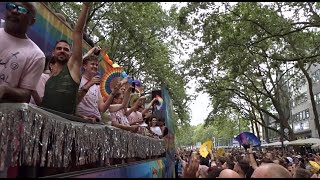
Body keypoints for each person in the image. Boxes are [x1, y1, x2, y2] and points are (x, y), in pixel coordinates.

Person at [41, 2, 91, 114]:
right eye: (59, 48)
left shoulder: (72, 69)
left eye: (66, 49)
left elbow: (78, 33)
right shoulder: (48, 77)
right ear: (53, 52)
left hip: (63, 128)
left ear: (71, 54)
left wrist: (86, 6)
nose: (62, 50)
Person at [0, 2, 45, 103]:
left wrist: (5, 90)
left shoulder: (36, 55)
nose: (15, 11)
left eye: (22, 9)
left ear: (31, 21)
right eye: (11, 6)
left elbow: (26, 95)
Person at [76, 52, 122, 122]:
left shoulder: (97, 86)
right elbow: (74, 101)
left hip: (96, 120)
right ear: (85, 66)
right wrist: (89, 84)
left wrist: (113, 93)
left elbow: (102, 108)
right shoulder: (78, 79)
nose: (95, 66)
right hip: (82, 119)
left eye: (97, 65)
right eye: (92, 64)